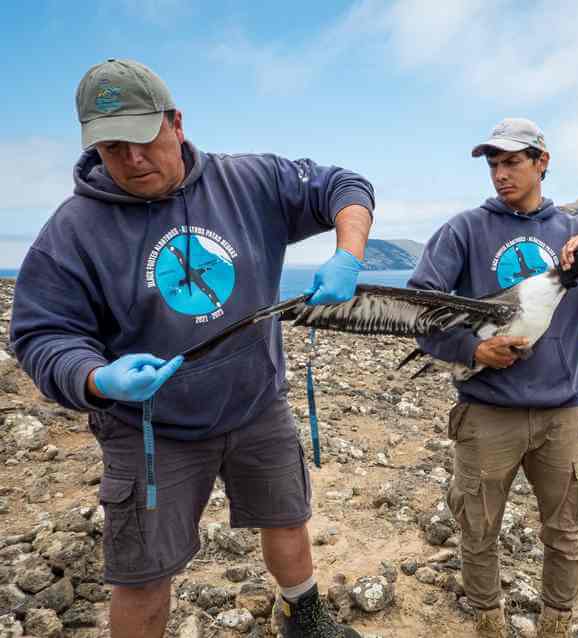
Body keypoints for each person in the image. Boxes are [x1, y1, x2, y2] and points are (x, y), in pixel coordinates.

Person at [10, 59, 372, 638]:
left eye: (144, 139)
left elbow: (343, 187)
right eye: (112, 147)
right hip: (150, 426)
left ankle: (303, 614)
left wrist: (349, 252)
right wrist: (98, 378)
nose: (132, 160)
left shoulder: (250, 181)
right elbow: (40, 333)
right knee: (143, 572)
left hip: (257, 403)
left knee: (287, 515)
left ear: (175, 122)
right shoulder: (72, 231)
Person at [408, 118, 578, 637]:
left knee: (566, 530)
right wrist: (473, 348)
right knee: (478, 530)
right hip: (486, 413)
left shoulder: (577, 232)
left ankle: (555, 624)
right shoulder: (464, 230)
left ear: (541, 162)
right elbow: (423, 312)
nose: (500, 174)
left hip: (562, 414)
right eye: (493, 164)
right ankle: (490, 623)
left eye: (512, 162)